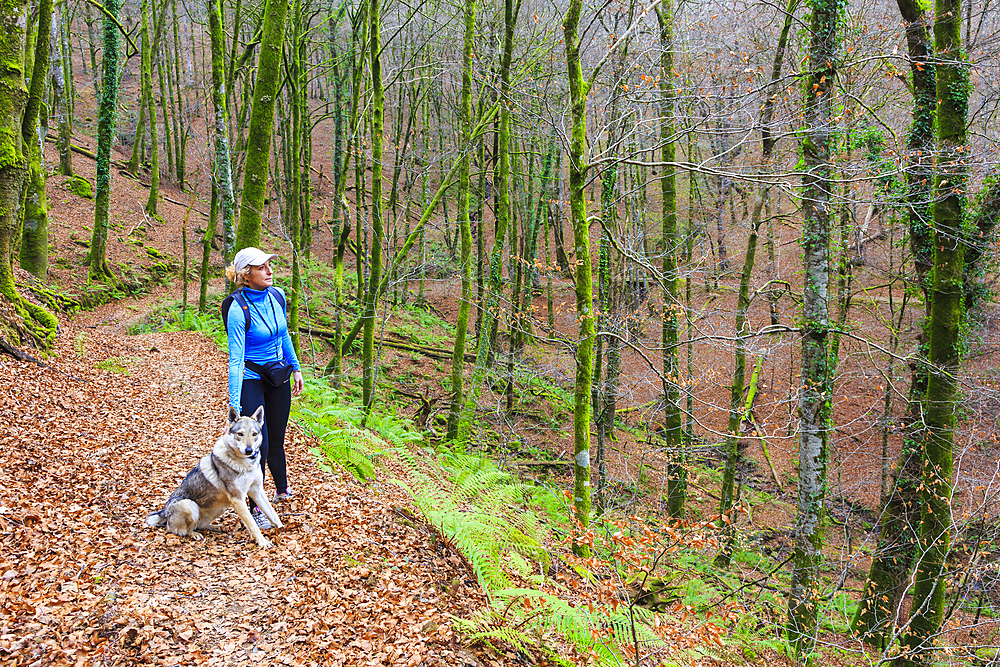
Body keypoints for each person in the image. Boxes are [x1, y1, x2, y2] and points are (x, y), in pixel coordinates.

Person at [224, 247, 303, 530]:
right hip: (251, 378)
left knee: (278, 439)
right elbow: (235, 360)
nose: (269, 271)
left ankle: (282, 492)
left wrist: (296, 367)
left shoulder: (277, 296)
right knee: (261, 443)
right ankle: (256, 507)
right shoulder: (237, 309)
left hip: (278, 374)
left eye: (270, 265)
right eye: (262, 267)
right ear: (246, 275)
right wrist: (234, 407)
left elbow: (284, 334)